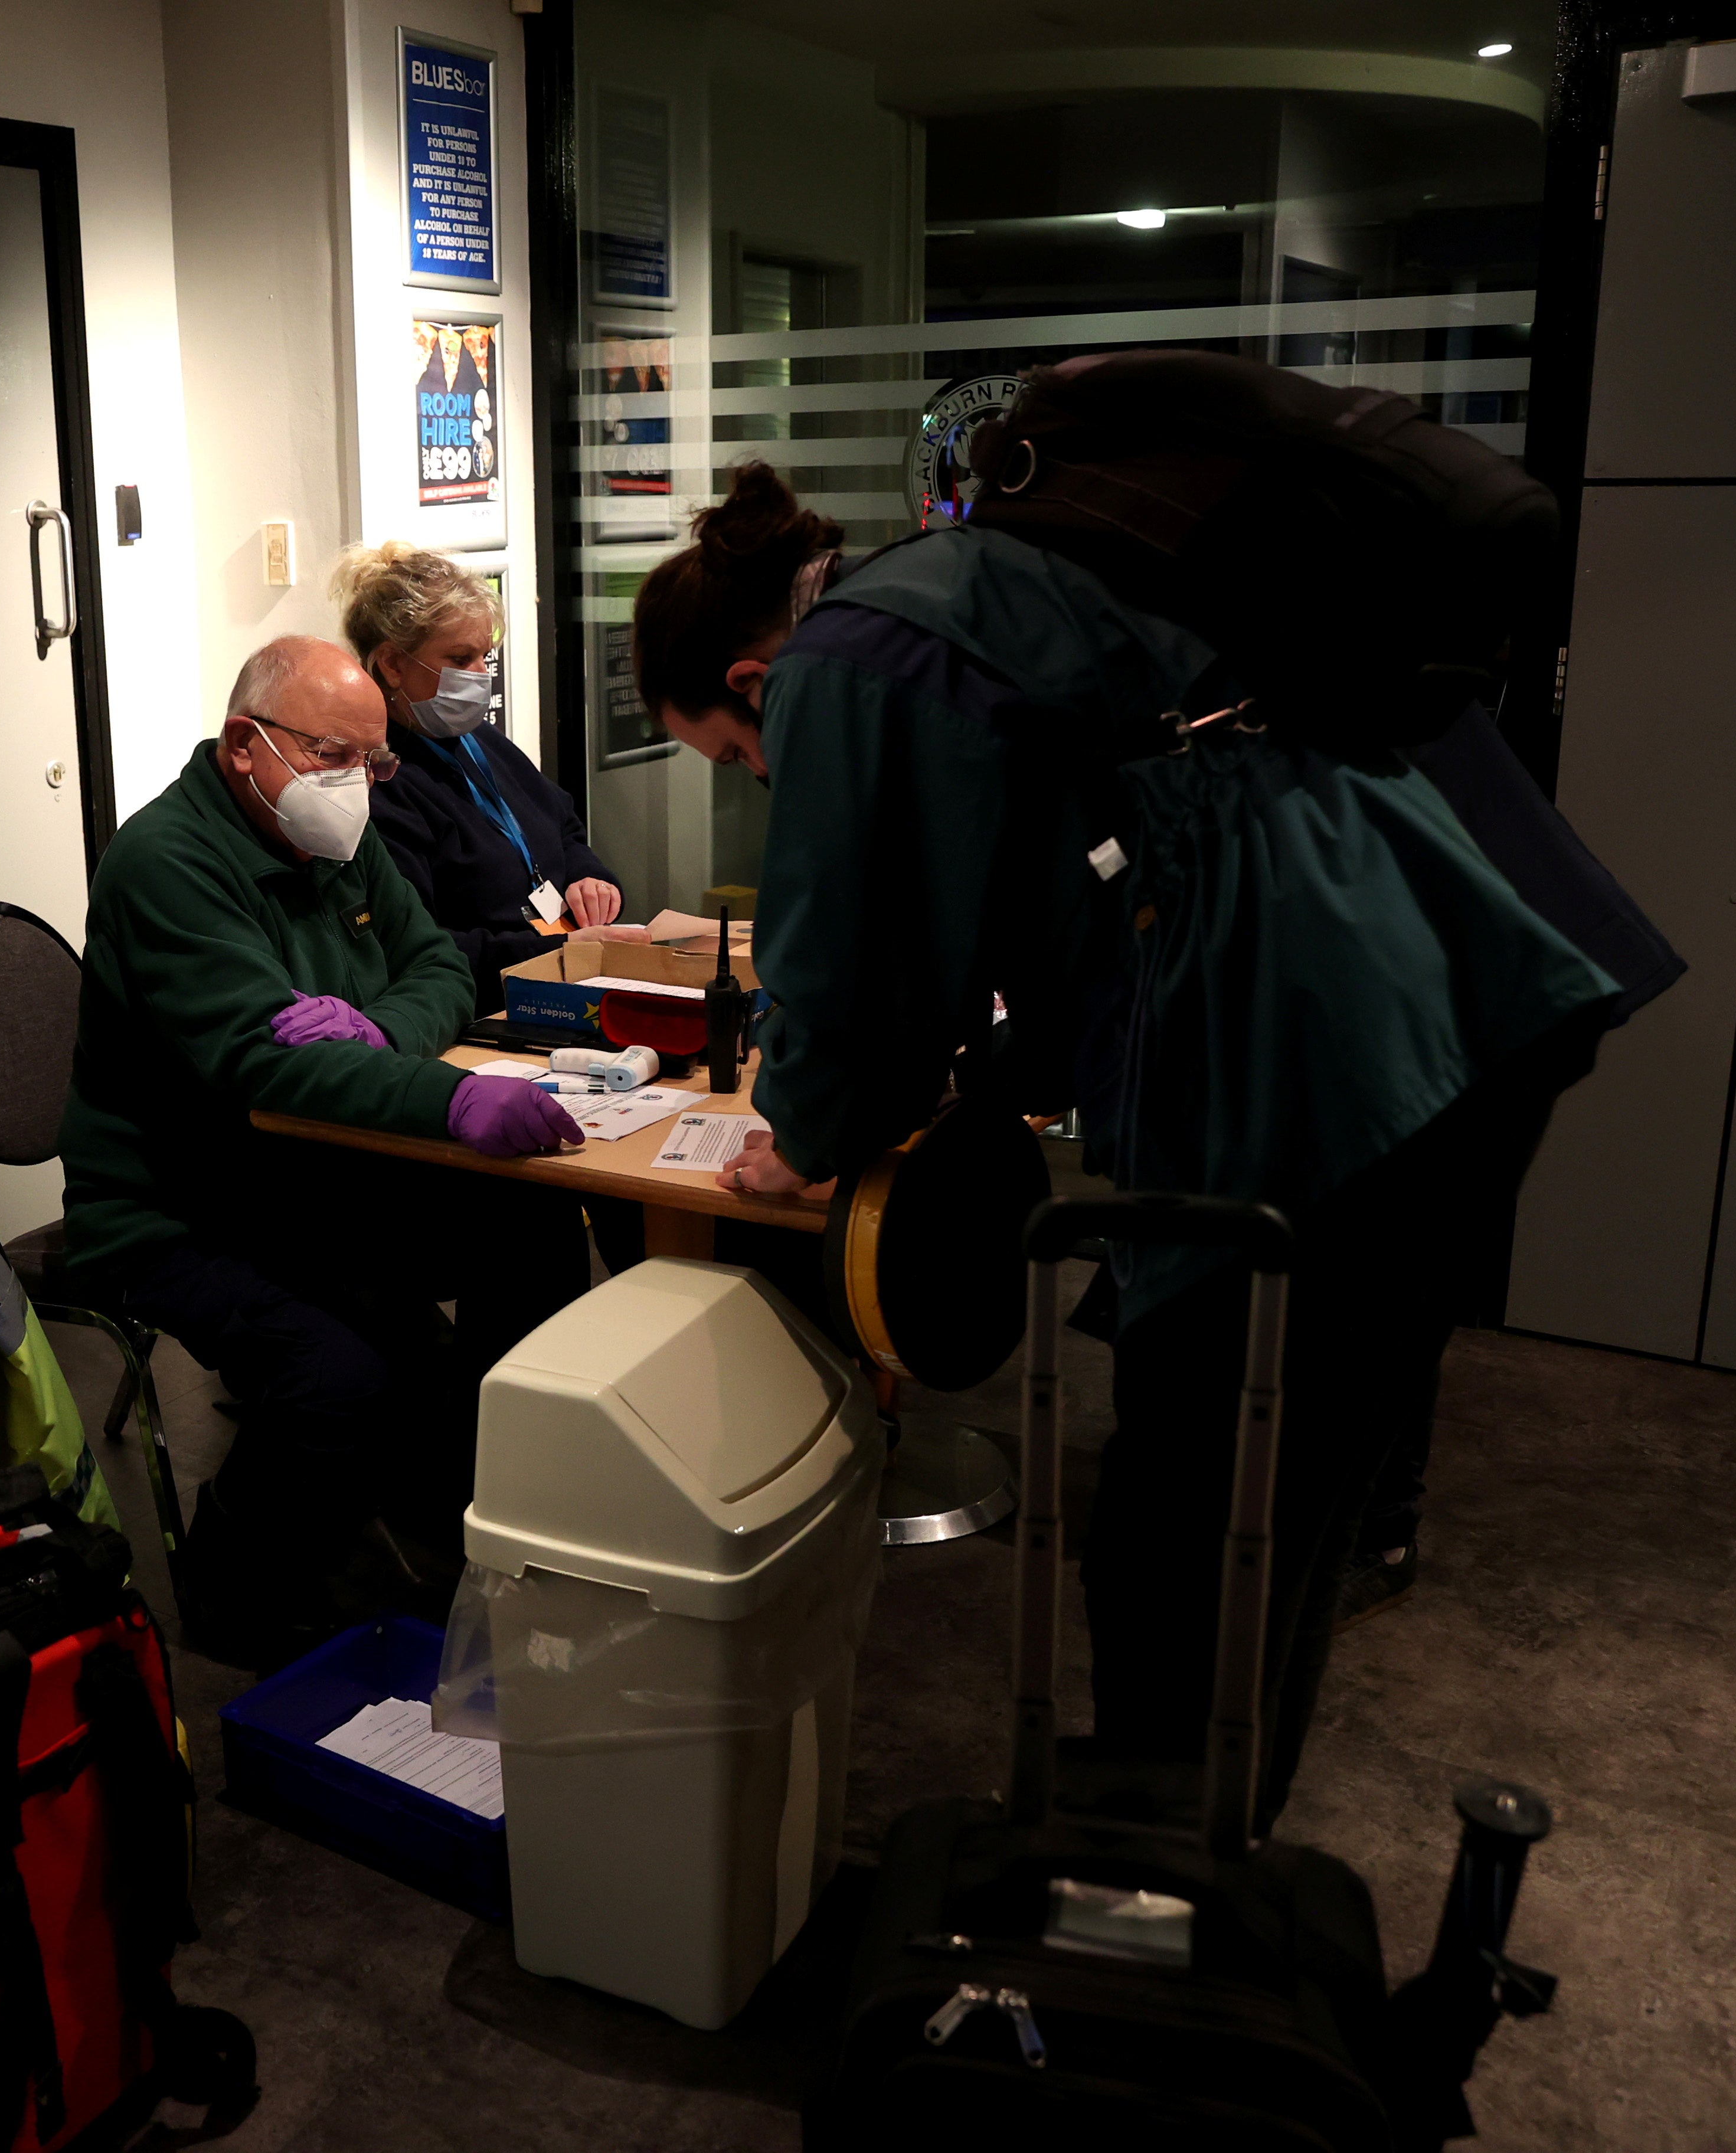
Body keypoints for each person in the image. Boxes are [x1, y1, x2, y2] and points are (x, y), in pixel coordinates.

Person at [632, 460, 1624, 1827]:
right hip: (1445, 974)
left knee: (1190, 1522)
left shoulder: (850, 656)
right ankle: (1193, 1839)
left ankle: (1153, 1884)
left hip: (1333, 1051)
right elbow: (1055, 856)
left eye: (743, 761)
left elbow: (850, 962)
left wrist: (801, 1127)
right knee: (1260, 1507)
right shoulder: (966, 587)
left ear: (752, 683)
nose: (763, 775)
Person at [57, 634, 587, 1667]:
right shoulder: (166, 862)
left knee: (530, 1227)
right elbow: (267, 1064)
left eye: (372, 762)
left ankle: (485, 1501)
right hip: (177, 1208)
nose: (356, 784)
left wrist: (377, 1031)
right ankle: (236, 1592)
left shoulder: (338, 839)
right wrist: (446, 1097)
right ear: (244, 746)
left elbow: (436, 962)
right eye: (332, 755)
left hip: (317, 1169)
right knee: (342, 1376)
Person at [331, 541, 649, 1013]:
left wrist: (589, 879)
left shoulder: (477, 739)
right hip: (486, 1006)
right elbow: (420, 946)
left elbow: (560, 826)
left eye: (485, 655)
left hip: (560, 977)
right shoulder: (378, 780)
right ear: (393, 664)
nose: (481, 675)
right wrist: (560, 952)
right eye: (460, 659)